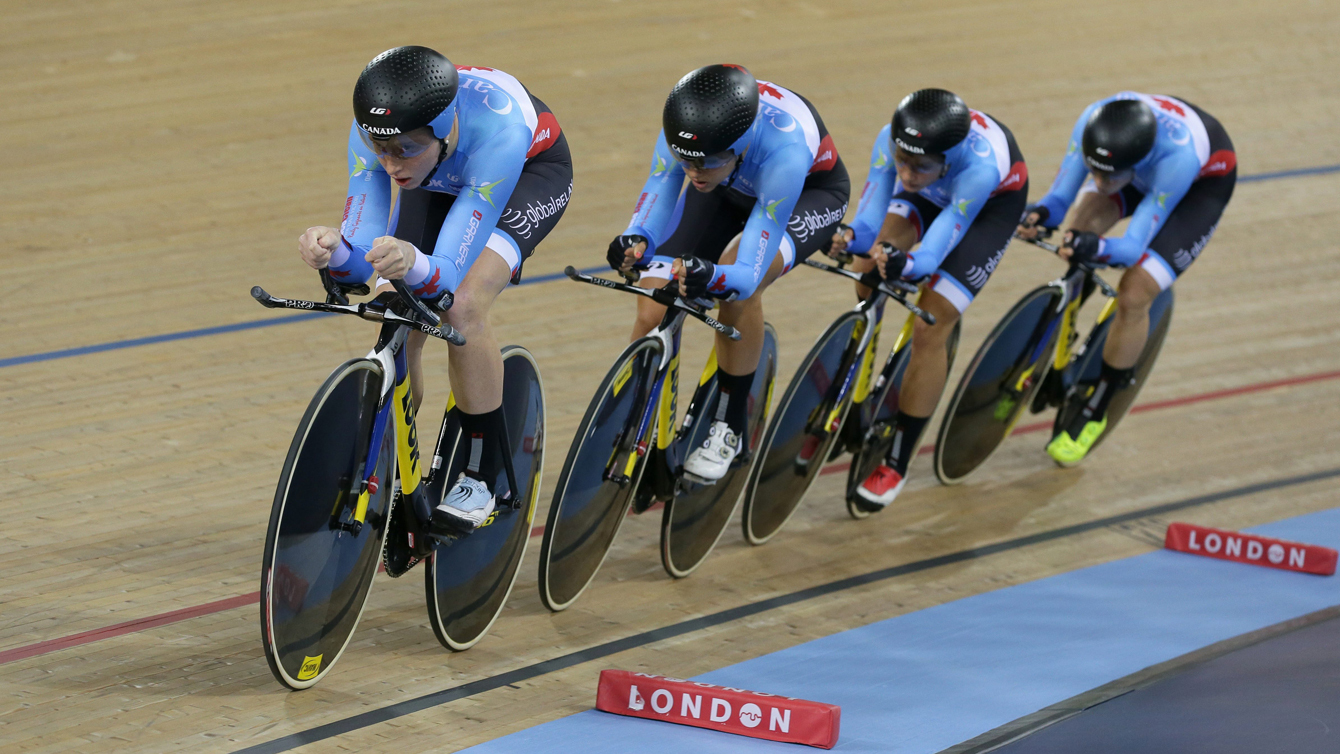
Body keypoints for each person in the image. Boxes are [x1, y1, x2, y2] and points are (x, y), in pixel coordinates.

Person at [295, 46, 572, 570]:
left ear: (443, 132)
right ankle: (392, 457)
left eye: (404, 149)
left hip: (520, 176)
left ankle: (481, 474)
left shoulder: (500, 135)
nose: (391, 163)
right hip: (442, 174)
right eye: (381, 149)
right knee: (390, 308)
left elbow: (444, 278)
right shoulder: (381, 139)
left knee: (462, 306)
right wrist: (333, 251)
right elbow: (360, 263)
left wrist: (412, 264)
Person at [606, 64, 849, 482]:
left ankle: (728, 425)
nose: (693, 171)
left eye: (706, 162)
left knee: (736, 288)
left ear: (738, 146)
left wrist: (711, 275)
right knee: (652, 306)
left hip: (806, 195)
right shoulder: (687, 130)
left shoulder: (785, 152)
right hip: (729, 187)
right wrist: (635, 240)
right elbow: (660, 187)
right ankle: (631, 419)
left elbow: (745, 272)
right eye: (687, 160)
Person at [830, 89, 1028, 510]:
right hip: (933, 198)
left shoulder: (979, 167)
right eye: (901, 161)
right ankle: (862, 387)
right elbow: (868, 221)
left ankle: (898, 460)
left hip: (985, 211)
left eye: (919, 166)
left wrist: (908, 264)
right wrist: (848, 238)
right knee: (868, 271)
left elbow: (933, 254)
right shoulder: (894, 141)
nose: (906, 173)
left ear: (949, 157)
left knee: (930, 323)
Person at [1018, 93, 1235, 464]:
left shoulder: (1178, 161)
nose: (1099, 182)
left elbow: (1133, 248)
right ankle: (1062, 334)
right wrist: (1040, 215)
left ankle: (1097, 408)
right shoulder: (1091, 120)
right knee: (1081, 225)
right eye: (1094, 170)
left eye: (1109, 176)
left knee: (1134, 293)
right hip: (1136, 170)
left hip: (1197, 188)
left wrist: (1097, 248)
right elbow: (1059, 198)